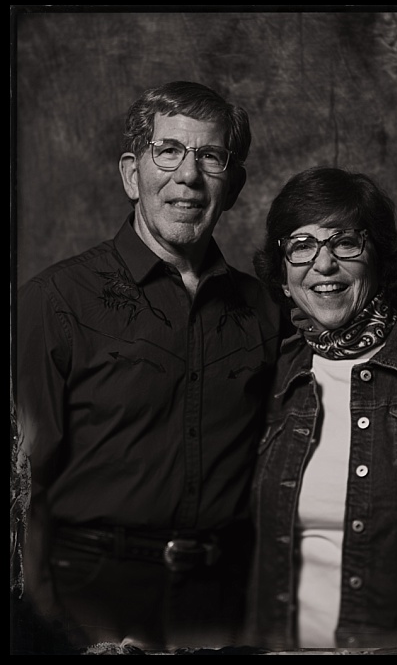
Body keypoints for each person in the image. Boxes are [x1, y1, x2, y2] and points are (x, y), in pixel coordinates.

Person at [14, 81, 281, 651]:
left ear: (233, 185)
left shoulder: (266, 311)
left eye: (211, 156)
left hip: (225, 606)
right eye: (169, 151)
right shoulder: (56, 300)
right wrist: (43, 623)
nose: (189, 176)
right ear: (132, 175)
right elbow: (21, 485)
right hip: (88, 601)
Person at [245, 166, 397, 651]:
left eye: (345, 242)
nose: (323, 265)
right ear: (283, 275)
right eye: (301, 246)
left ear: (380, 259)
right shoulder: (266, 377)